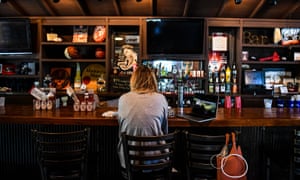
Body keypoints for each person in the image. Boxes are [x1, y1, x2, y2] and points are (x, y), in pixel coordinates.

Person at [117, 65, 169, 169]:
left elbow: (121, 128)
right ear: (152, 80)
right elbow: (165, 130)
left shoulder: (123, 99)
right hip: (157, 161)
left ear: (133, 80)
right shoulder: (161, 99)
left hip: (129, 162)